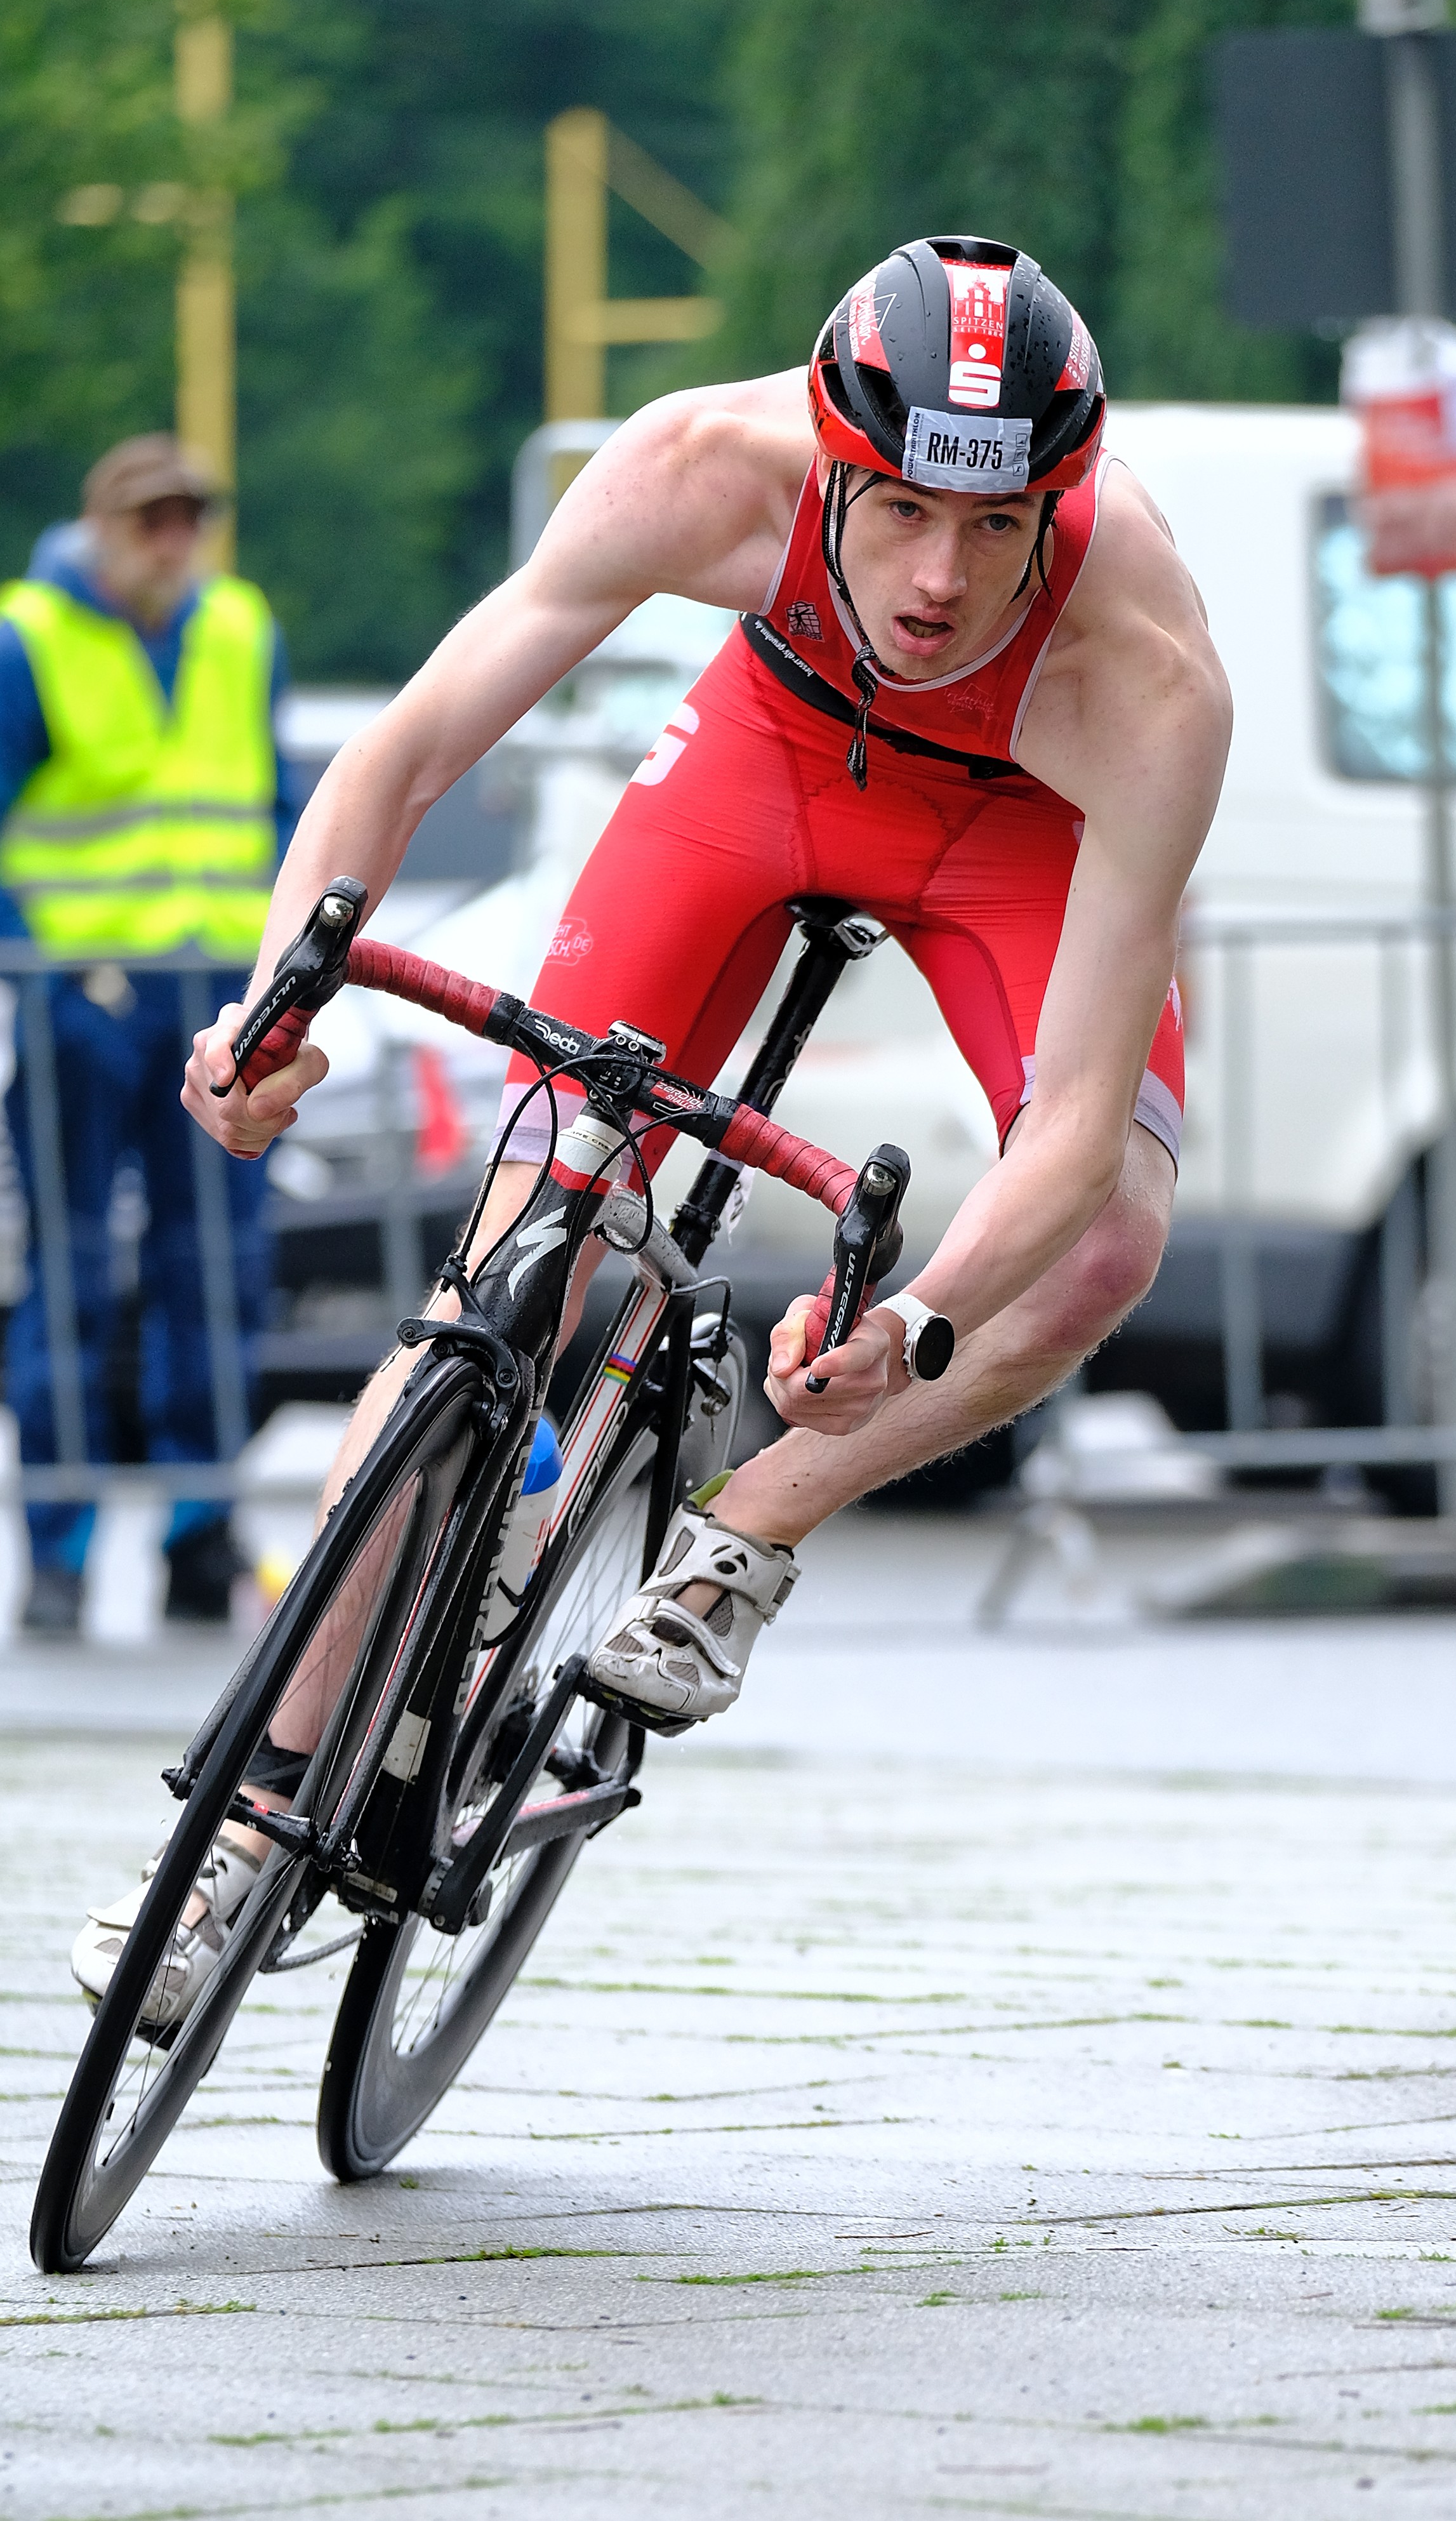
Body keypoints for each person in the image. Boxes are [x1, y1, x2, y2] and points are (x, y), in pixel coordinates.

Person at [76, 237, 1229, 2014]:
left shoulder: (1145, 669)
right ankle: (240, 1830)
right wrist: (269, 1011)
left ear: (1056, 505)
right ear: (831, 466)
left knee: (1111, 1240)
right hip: (770, 755)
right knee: (504, 1269)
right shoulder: (701, 465)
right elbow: (406, 752)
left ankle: (745, 1532)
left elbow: (1072, 1121)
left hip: (1021, 819)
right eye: (901, 511)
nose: (939, 577)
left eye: (994, 527)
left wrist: (913, 1321)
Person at [0, 434, 299, 1634]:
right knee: (73, 1271)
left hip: (219, 997)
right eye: (150, 520)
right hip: (82, 1000)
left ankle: (197, 1530)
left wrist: (288, 970)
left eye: (189, 518)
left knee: (214, 1272)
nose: (173, 542)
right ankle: (59, 1547)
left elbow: (278, 803)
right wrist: (49, 969)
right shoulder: (29, 636)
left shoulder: (239, 627)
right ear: (101, 526)